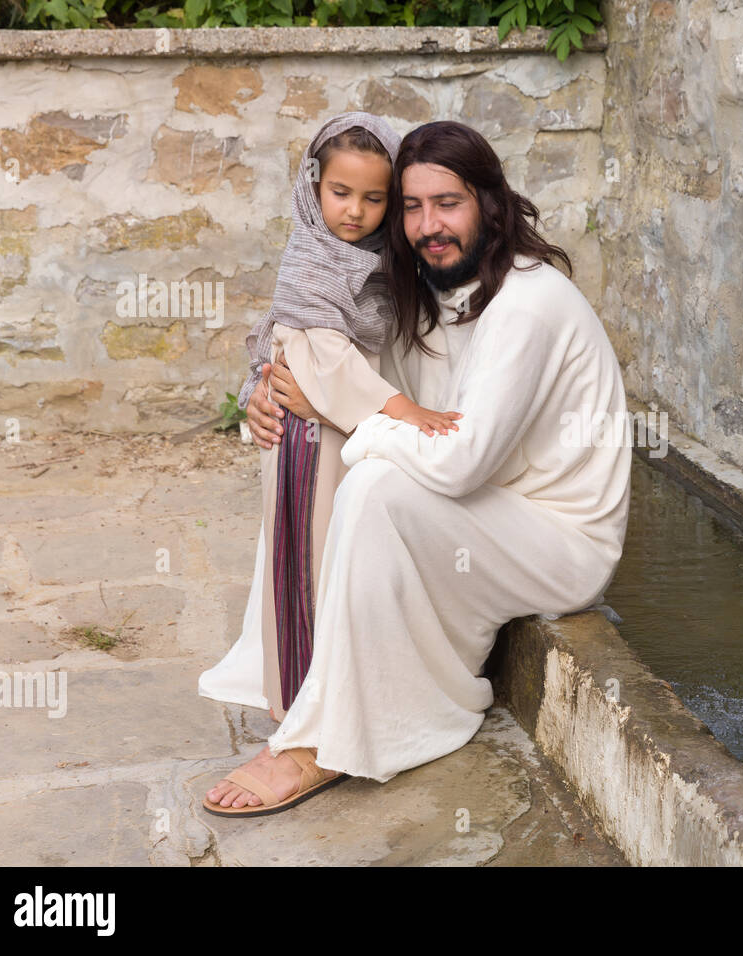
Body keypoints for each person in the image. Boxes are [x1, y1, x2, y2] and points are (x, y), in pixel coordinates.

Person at [199, 121, 631, 816]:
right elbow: (357, 379)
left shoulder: (529, 304)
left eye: (448, 203)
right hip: (495, 514)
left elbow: (458, 463)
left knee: (375, 482)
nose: (429, 225)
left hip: (562, 543)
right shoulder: (431, 297)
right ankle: (319, 681)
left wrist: (353, 418)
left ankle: (325, 740)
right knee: (330, 449)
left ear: (490, 204)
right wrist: (269, 392)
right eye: (410, 206)